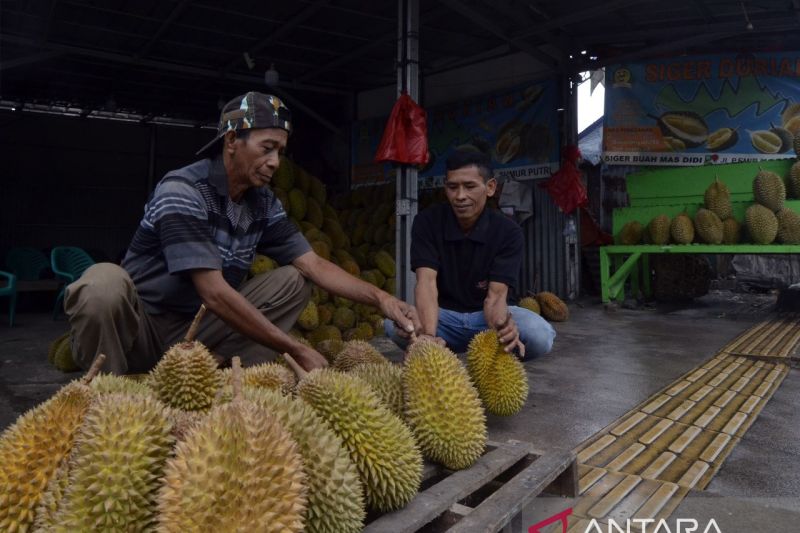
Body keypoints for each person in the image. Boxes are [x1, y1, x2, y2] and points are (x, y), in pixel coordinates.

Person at [65, 91, 420, 375]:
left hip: (195, 332)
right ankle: (106, 385)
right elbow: (214, 293)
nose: (275, 162)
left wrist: (381, 299)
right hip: (139, 331)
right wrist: (294, 348)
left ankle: (211, 366)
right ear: (232, 140)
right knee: (102, 283)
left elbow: (313, 264)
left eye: (280, 151)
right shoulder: (183, 190)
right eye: (267, 148)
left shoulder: (263, 203)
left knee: (295, 281)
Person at [385, 149, 555, 359]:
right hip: (443, 318)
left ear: (490, 187)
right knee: (393, 325)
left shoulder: (508, 232)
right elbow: (426, 282)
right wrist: (428, 334)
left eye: (470, 186)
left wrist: (501, 327)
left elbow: (496, 296)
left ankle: (487, 350)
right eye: (452, 187)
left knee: (540, 334)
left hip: (484, 320)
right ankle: (438, 349)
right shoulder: (427, 222)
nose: (460, 196)